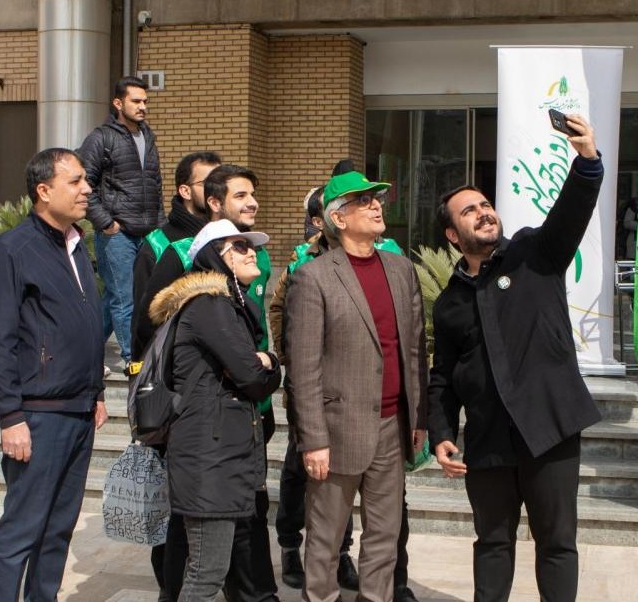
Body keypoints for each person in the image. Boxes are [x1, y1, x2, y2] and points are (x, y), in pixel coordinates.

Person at [427, 114, 601, 602]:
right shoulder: (450, 302)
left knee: (557, 543)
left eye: (485, 205)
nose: (483, 213)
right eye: (469, 211)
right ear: (452, 235)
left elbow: (571, 213)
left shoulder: (532, 254)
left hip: (549, 429)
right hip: (488, 441)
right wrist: (441, 432)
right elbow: (443, 377)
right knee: (492, 543)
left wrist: (587, 161)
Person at [137, 163, 279, 602]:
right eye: (241, 247)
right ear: (217, 256)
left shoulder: (227, 306)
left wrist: (262, 364)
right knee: (205, 575)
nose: (252, 253)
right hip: (210, 459)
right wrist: (272, 363)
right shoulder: (211, 306)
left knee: (207, 570)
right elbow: (253, 377)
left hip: (221, 456)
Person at [284, 170, 427, 602]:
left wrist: (418, 418)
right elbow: (303, 367)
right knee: (325, 540)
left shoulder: (401, 270)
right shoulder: (313, 277)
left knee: (385, 537)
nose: (375, 204)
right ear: (338, 218)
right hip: (337, 430)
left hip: (392, 425)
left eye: (375, 198)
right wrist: (313, 440)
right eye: (362, 200)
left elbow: (414, 350)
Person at [0, 148, 109, 602]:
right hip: (37, 415)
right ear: (44, 191)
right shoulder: (11, 250)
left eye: (85, 180)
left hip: (78, 410)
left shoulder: (78, 247)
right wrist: (10, 416)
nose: (86, 189)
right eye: (75, 181)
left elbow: (85, 324)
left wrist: (96, 392)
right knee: (22, 529)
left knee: (58, 529)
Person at [269, 185, 359, 593]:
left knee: (344, 472)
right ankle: (290, 545)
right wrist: (289, 355)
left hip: (350, 388)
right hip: (307, 387)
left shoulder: (369, 254)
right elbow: (277, 307)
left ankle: (342, 552)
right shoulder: (301, 258)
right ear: (319, 220)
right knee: (297, 467)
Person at [78, 75, 165, 364]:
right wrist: (106, 223)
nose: (143, 107)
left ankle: (85, 349)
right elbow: (84, 185)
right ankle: (134, 360)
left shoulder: (147, 136)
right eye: (136, 101)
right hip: (118, 234)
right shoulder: (100, 138)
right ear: (118, 103)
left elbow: (155, 184)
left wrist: (160, 226)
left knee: (118, 297)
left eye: (145, 101)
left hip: (147, 232)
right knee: (125, 298)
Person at [132, 151, 222, 360]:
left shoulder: (229, 238)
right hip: (177, 363)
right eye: (208, 184)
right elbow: (144, 321)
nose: (216, 191)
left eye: (220, 183)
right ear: (185, 191)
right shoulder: (158, 243)